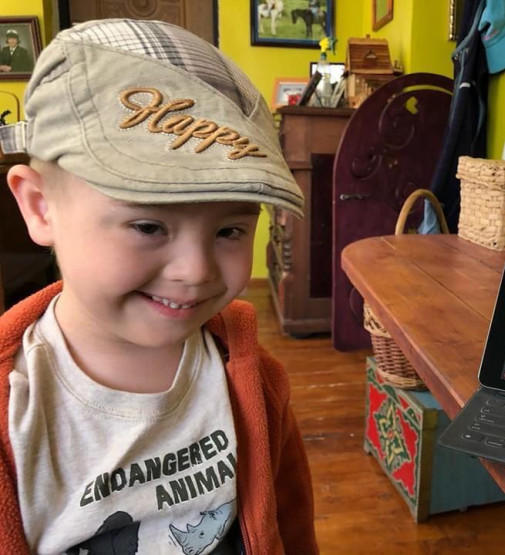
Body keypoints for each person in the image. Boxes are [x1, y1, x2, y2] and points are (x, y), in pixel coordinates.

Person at [0, 19, 317, 553]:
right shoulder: (16, 411)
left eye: (229, 231)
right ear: (40, 207)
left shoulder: (254, 379)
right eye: (148, 226)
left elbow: (291, 521)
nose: (195, 271)